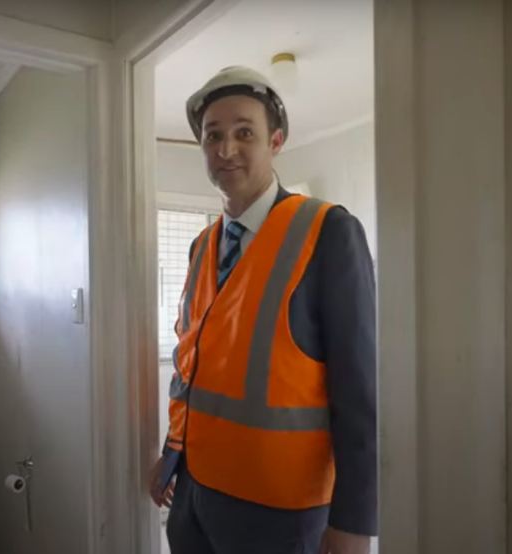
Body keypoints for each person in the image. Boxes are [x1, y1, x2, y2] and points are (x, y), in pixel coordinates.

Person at [148, 66, 377, 554]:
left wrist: (355, 522)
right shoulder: (201, 246)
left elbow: (360, 389)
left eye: (244, 132)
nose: (225, 149)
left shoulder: (328, 231)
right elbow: (191, 362)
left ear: (275, 141)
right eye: (213, 136)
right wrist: (172, 453)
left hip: (282, 512)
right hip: (194, 496)